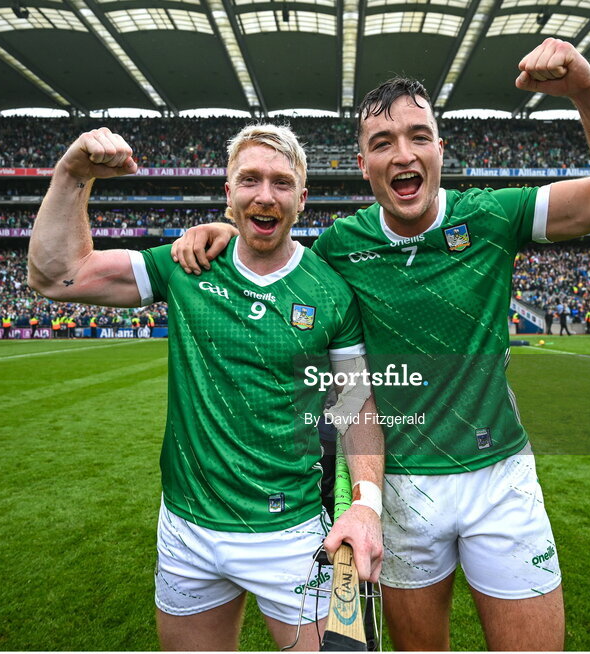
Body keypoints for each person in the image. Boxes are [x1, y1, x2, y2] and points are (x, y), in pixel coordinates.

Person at [171, 38, 590, 650]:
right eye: (383, 143)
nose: (403, 154)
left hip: (500, 478)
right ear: (363, 163)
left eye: (418, 136)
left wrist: (586, 86)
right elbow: (272, 252)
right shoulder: (339, 250)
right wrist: (225, 228)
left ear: (438, 148)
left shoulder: (491, 218)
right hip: (400, 492)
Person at [27, 124, 384, 651]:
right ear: (228, 194)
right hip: (187, 531)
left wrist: (365, 505)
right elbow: (57, 274)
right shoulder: (186, 266)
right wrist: (73, 172)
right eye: (250, 180)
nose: (265, 195)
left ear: (302, 199)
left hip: (290, 532)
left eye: (282, 183)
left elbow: (358, 403)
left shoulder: (329, 290)